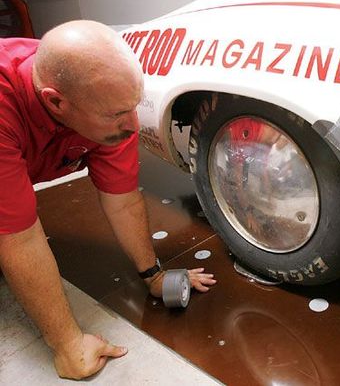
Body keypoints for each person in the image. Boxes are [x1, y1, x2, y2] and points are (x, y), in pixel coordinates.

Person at [0, 20, 217, 380]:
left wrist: (154, 275)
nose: (134, 125)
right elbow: (18, 236)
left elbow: (122, 199)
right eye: (117, 115)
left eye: (133, 106)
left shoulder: (97, 92)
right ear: (55, 101)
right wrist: (68, 344)